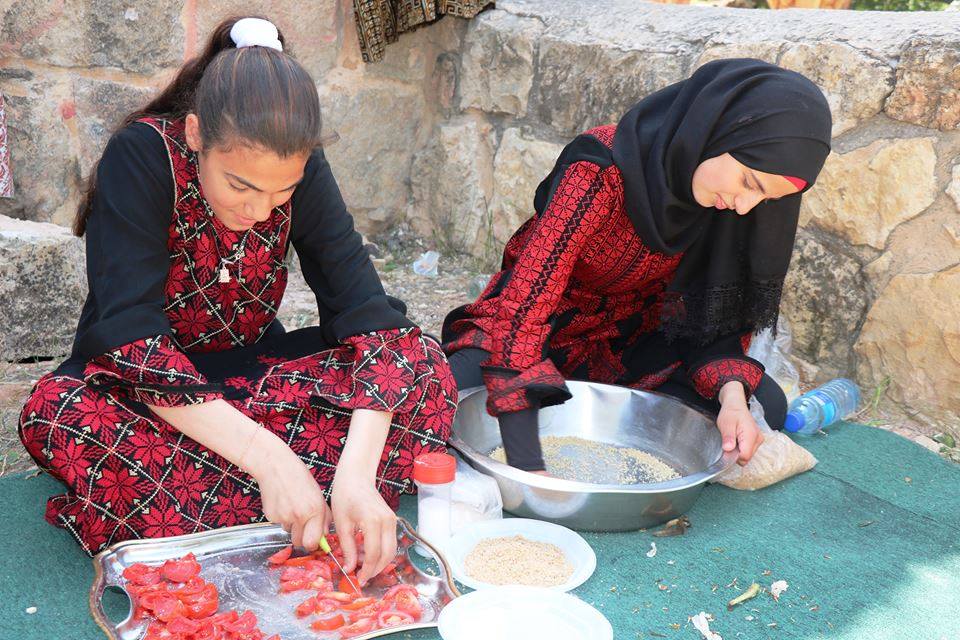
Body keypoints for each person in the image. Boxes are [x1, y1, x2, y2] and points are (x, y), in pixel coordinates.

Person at [17, 17, 457, 584]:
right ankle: (286, 492)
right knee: (57, 415)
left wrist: (358, 475)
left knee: (423, 363)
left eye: (282, 193)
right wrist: (269, 457)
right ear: (197, 134)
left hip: (255, 384)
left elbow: (372, 318)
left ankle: (305, 499)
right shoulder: (143, 154)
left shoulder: (299, 164)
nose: (261, 213)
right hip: (145, 396)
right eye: (241, 187)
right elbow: (129, 337)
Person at [442, 59, 831, 473]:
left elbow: (712, 322)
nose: (744, 205)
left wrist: (733, 398)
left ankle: (610, 404)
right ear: (717, 132)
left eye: (764, 199)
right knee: (450, 391)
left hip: (630, 341)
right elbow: (523, 309)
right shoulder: (598, 169)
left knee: (760, 403)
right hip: (540, 327)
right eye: (750, 182)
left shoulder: (725, 203)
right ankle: (605, 408)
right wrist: (528, 465)